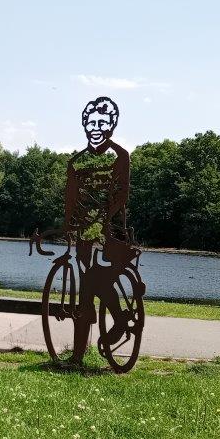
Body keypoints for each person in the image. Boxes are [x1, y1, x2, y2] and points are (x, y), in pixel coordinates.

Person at [63, 96, 132, 363]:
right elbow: (71, 198)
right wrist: (67, 224)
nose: (96, 128)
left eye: (102, 123)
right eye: (91, 123)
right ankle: (78, 354)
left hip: (111, 231)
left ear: (111, 125)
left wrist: (103, 219)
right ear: (84, 125)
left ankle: (119, 320)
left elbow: (121, 195)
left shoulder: (119, 156)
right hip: (84, 232)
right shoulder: (76, 162)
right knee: (86, 288)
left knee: (93, 280)